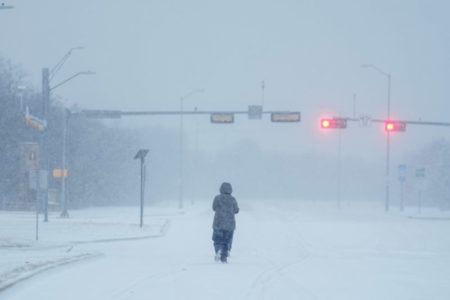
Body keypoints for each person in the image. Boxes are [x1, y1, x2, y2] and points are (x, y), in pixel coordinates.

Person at [212, 182, 239, 263]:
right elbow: (236, 210)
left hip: (218, 223)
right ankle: (224, 256)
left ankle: (218, 250)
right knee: (227, 240)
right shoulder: (232, 199)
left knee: (217, 239)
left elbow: (214, 208)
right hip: (229, 224)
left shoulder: (217, 198)